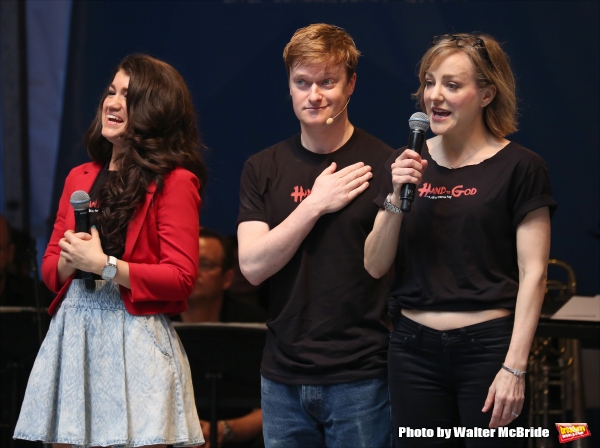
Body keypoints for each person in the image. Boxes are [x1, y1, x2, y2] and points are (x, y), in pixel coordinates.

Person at [364, 33, 556, 447]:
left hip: (488, 351)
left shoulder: (520, 167)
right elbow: (375, 265)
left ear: (486, 93)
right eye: (429, 82)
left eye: (452, 85)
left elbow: (534, 273)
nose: (434, 96)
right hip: (412, 349)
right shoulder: (406, 163)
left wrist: (514, 368)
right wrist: (396, 197)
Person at [13, 54, 206, 447]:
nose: (112, 102)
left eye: (129, 97)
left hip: (136, 337)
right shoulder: (80, 177)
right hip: (74, 332)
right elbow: (50, 272)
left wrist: (105, 266)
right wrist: (71, 262)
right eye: (112, 91)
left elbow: (181, 280)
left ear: (155, 110)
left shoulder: (175, 181)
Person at [237, 23, 394, 448]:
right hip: (282, 376)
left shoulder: (384, 163)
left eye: (328, 81)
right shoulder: (262, 167)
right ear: (289, 86)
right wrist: (315, 204)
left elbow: (385, 267)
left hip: (360, 374)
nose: (315, 95)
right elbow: (252, 268)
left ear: (351, 85)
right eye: (302, 82)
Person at [173, 228, 265, 448]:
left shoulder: (257, 325)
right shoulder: (154, 322)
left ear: (227, 278)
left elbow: (279, 402)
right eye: (187, 265)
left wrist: (224, 430)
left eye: (205, 265)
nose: (194, 273)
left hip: (240, 437)